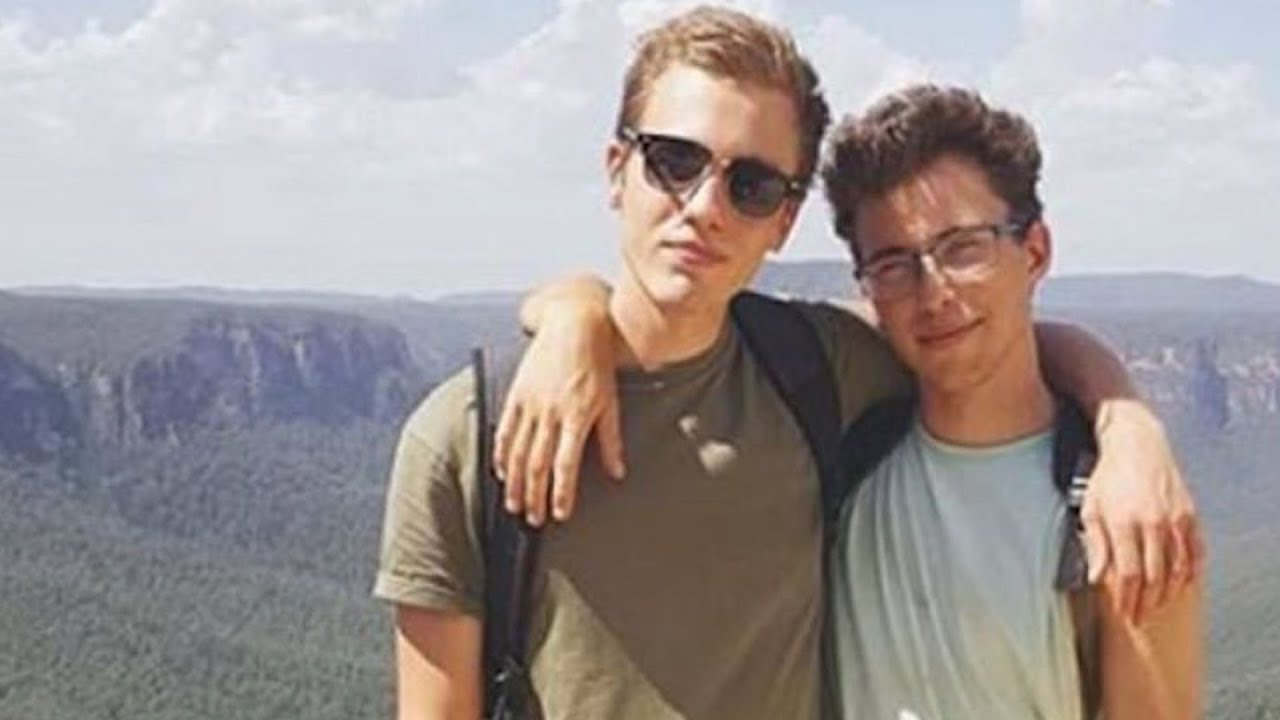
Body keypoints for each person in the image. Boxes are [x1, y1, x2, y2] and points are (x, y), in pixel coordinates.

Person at [374, 7, 1200, 720]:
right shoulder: (467, 436)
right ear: (617, 170)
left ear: (783, 221)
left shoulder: (814, 373)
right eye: (674, 160)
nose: (704, 207)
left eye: (753, 185)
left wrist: (1127, 424)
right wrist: (569, 313)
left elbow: (988, 342)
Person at [818, 83, 1202, 719]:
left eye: (964, 247)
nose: (934, 294)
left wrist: (1128, 428)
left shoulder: (1118, 517)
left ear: (1035, 251)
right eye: (893, 264)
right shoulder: (843, 447)